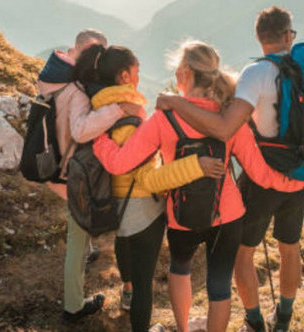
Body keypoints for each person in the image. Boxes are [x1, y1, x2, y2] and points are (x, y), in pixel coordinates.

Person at [93, 41, 299, 332]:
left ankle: (183, 328)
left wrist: (99, 139)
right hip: (227, 214)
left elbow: (118, 164)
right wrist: (294, 181)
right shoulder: (230, 117)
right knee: (219, 286)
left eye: (177, 69)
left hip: (181, 215)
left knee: (180, 269)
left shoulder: (163, 118)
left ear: (186, 73)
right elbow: (259, 173)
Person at [156, 7, 304, 331]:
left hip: (262, 178)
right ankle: (284, 317)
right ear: (287, 35)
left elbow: (226, 127)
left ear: (258, 36)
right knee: (290, 247)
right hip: (299, 176)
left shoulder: (255, 74)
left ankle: (254, 320)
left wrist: (175, 102)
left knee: (243, 253)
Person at [73, 44, 225, 332]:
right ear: (124, 76)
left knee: (125, 246)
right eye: (137, 71)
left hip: (112, 200)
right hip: (142, 206)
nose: (139, 77)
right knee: (146, 285)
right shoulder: (131, 120)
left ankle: (127, 289)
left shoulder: (99, 111)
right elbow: (148, 180)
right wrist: (197, 165)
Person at [36, 29, 126, 322]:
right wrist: (116, 110)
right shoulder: (76, 89)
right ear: (85, 51)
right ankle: (73, 306)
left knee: (78, 227)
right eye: (97, 53)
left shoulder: (54, 76)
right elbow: (80, 130)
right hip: (71, 171)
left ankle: (88, 251)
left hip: (53, 162)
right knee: (76, 234)